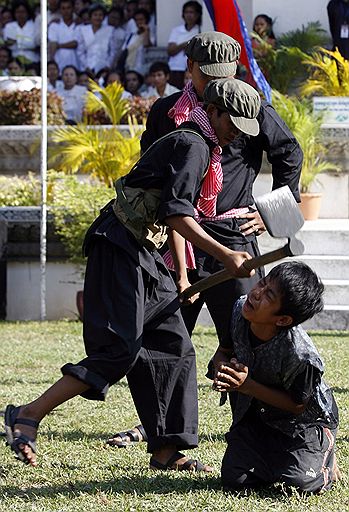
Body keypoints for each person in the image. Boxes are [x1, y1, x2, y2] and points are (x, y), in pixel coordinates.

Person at [4, 77, 261, 470]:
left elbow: (177, 214)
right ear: (213, 111)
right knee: (118, 350)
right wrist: (227, 254)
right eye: (232, 125)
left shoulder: (200, 144)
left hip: (145, 248)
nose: (235, 136)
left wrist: (181, 277)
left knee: (173, 343)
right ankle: (28, 414)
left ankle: (165, 450)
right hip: (119, 245)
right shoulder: (192, 145)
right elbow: (178, 214)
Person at [107, 31, 303, 448]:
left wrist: (270, 214)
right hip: (179, 234)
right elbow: (155, 178)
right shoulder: (166, 112)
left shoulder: (248, 106)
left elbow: (290, 152)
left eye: (225, 75)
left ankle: (248, 428)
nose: (216, 84)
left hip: (234, 234)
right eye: (207, 74)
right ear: (189, 68)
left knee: (246, 333)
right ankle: (160, 428)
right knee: (164, 334)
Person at [213, 262, 340, 493]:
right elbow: (224, 351)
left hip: (304, 425)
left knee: (300, 484)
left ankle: (323, 453)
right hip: (259, 418)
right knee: (235, 481)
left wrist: (247, 386)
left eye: (269, 295)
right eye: (263, 282)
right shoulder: (241, 310)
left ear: (283, 320)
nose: (256, 293)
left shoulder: (301, 355)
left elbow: (298, 405)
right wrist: (223, 370)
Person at [167, 1, 202, 89]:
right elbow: (170, 51)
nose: (188, 15)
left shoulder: (200, 30)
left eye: (191, 12)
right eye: (186, 12)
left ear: (197, 14)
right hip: (175, 68)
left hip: (191, 70)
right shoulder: (176, 30)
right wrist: (185, 44)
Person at [76, 3, 116, 75]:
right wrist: (87, 67)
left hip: (104, 68)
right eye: (95, 15)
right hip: (87, 68)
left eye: (100, 15)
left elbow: (113, 51)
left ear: (104, 17)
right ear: (90, 16)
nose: (98, 17)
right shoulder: (83, 30)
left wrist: (107, 66)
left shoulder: (110, 30)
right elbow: (80, 51)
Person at [119, 8, 154, 76]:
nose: (139, 22)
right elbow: (124, 50)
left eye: (141, 19)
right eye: (136, 20)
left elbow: (146, 44)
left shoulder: (151, 36)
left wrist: (146, 31)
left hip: (142, 69)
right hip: (129, 68)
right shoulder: (131, 36)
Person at [3, 0, 40, 65]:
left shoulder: (34, 26)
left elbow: (34, 44)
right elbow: (9, 44)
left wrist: (16, 41)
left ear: (27, 12)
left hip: (33, 60)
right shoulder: (9, 26)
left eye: (23, 12)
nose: (20, 15)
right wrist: (28, 42)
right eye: (17, 12)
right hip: (14, 62)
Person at [48, 0, 78, 73]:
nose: (66, 11)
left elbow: (75, 44)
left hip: (76, 65)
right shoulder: (54, 26)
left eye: (68, 8)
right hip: (59, 64)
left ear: (73, 9)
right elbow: (53, 45)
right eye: (63, 8)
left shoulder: (79, 25)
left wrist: (59, 45)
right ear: (60, 10)